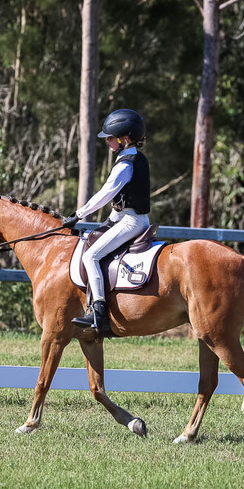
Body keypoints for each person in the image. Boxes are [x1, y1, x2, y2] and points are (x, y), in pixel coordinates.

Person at [62, 109, 151, 337]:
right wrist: (106, 223)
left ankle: (98, 313)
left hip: (131, 222)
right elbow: (122, 203)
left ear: (125, 139)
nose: (108, 142)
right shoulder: (136, 158)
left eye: (111, 138)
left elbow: (105, 195)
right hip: (129, 219)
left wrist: (78, 214)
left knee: (90, 256)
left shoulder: (125, 165)